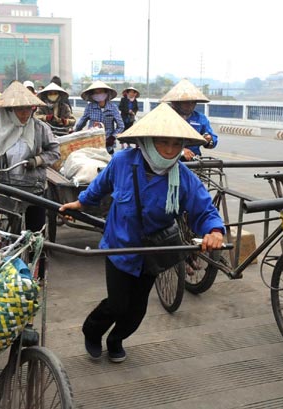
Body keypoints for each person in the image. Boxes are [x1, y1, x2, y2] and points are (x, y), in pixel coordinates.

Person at [59, 103, 225, 363]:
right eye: (163, 142)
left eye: (176, 144)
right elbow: (100, 187)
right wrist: (80, 203)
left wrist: (214, 230)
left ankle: (116, 339)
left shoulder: (182, 176)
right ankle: (92, 331)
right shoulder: (123, 162)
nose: (170, 151)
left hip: (152, 251)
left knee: (137, 310)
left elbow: (203, 208)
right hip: (119, 247)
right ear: (147, 141)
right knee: (117, 304)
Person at [0, 80, 60, 238]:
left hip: (33, 187)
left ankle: (37, 259)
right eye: (19, 109)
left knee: (35, 235)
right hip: (6, 187)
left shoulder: (40, 128)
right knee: (0, 233)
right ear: (9, 110)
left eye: (27, 109)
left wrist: (36, 161)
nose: (25, 113)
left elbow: (55, 152)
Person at [161, 79, 218, 161]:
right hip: (168, 160)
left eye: (193, 102)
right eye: (186, 102)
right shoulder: (164, 117)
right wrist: (181, 151)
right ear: (175, 103)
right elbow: (156, 142)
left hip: (193, 160)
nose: (190, 105)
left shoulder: (200, 118)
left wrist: (209, 139)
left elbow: (212, 139)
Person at [74, 80, 124, 155]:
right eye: (96, 93)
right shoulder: (89, 107)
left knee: (108, 164)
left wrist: (112, 137)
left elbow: (121, 126)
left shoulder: (113, 107)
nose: (98, 94)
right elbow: (81, 123)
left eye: (100, 92)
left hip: (108, 144)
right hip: (92, 143)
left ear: (106, 93)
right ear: (92, 95)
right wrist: (75, 133)